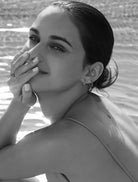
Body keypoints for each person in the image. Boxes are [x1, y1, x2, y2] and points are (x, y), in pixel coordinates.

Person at [0, 0, 138, 182]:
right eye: (34, 38)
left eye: (57, 47)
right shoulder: (102, 107)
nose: (33, 53)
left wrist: (18, 105)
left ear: (90, 72)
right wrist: (20, 101)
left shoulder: (65, 139)